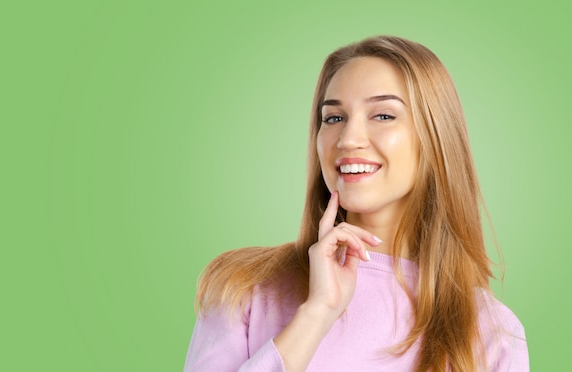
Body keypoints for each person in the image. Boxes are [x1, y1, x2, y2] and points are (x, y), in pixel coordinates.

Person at [184, 35, 529, 371]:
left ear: (436, 138)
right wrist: (318, 313)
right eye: (334, 118)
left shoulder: (492, 331)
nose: (348, 139)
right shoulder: (242, 288)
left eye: (383, 115)